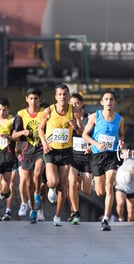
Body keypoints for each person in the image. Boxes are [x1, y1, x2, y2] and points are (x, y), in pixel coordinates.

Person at [38, 83, 83, 226]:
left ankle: (57, 216)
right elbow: (40, 128)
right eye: (60, 94)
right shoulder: (49, 110)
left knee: (63, 186)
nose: (63, 97)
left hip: (66, 151)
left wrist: (74, 125)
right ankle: (50, 188)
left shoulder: (74, 110)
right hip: (51, 151)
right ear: (56, 97)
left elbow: (81, 132)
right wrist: (44, 143)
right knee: (53, 182)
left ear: (68, 96)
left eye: (65, 94)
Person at [82, 90, 125, 231]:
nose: (109, 102)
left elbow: (121, 136)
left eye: (111, 99)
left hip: (111, 155)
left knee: (109, 186)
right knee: (100, 192)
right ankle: (96, 181)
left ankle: (106, 218)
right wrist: (95, 144)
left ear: (115, 102)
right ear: (101, 102)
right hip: (97, 156)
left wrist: (121, 143)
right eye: (106, 99)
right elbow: (85, 135)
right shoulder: (95, 116)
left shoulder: (120, 119)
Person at [12, 88, 45, 224]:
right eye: (31, 98)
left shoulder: (44, 114)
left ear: (39, 100)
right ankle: (32, 208)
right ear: (26, 99)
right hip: (26, 150)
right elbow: (13, 135)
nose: (33, 101)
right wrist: (22, 133)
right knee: (28, 182)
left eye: (36, 98)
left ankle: (37, 196)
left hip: (40, 149)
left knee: (37, 174)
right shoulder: (20, 114)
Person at [67, 93, 92, 225]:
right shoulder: (67, 119)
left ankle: (87, 182)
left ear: (82, 104)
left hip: (87, 157)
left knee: (86, 190)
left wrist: (91, 146)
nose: (74, 106)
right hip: (73, 157)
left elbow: (85, 134)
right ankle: (74, 212)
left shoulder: (90, 119)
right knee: (72, 183)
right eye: (71, 103)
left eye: (76, 103)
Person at [115, 143, 134, 222]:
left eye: (129, 151)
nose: (127, 153)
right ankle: (121, 218)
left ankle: (130, 225)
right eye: (125, 151)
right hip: (120, 187)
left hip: (132, 188)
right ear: (122, 151)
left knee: (131, 210)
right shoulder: (117, 159)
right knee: (120, 204)